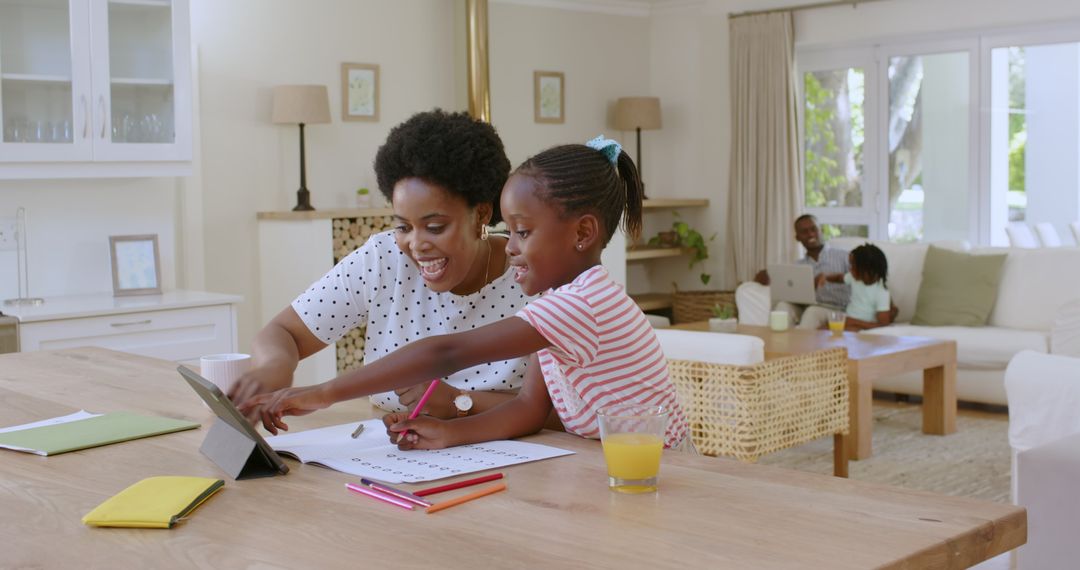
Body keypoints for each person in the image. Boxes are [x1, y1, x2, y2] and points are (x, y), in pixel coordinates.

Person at [240, 136, 690, 450]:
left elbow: (446, 352)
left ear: (583, 232)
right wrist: (449, 433)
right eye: (510, 231)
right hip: (609, 462)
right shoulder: (557, 303)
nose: (511, 246)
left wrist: (324, 393)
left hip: (661, 467)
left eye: (523, 232)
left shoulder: (580, 304)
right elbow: (531, 408)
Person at [230, 109, 534, 420]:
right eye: (404, 227)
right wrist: (275, 368)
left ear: (482, 214)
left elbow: (562, 412)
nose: (416, 244)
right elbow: (284, 332)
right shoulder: (384, 258)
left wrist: (461, 402)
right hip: (396, 452)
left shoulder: (531, 276)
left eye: (435, 227)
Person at [737, 214, 852, 329]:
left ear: (821, 230)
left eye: (813, 229)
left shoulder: (844, 256)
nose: (810, 234)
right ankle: (773, 344)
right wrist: (768, 276)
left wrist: (832, 278)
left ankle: (801, 346)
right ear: (797, 237)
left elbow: (859, 278)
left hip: (836, 309)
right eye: (804, 232)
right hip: (805, 307)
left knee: (812, 312)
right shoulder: (798, 266)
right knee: (782, 306)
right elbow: (787, 288)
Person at [815, 243, 891, 331]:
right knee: (821, 330)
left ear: (867, 269)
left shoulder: (881, 292)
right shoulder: (854, 278)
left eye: (853, 266)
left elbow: (883, 325)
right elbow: (839, 278)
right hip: (848, 320)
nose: (850, 269)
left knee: (839, 333)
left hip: (863, 327)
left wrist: (854, 322)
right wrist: (826, 276)